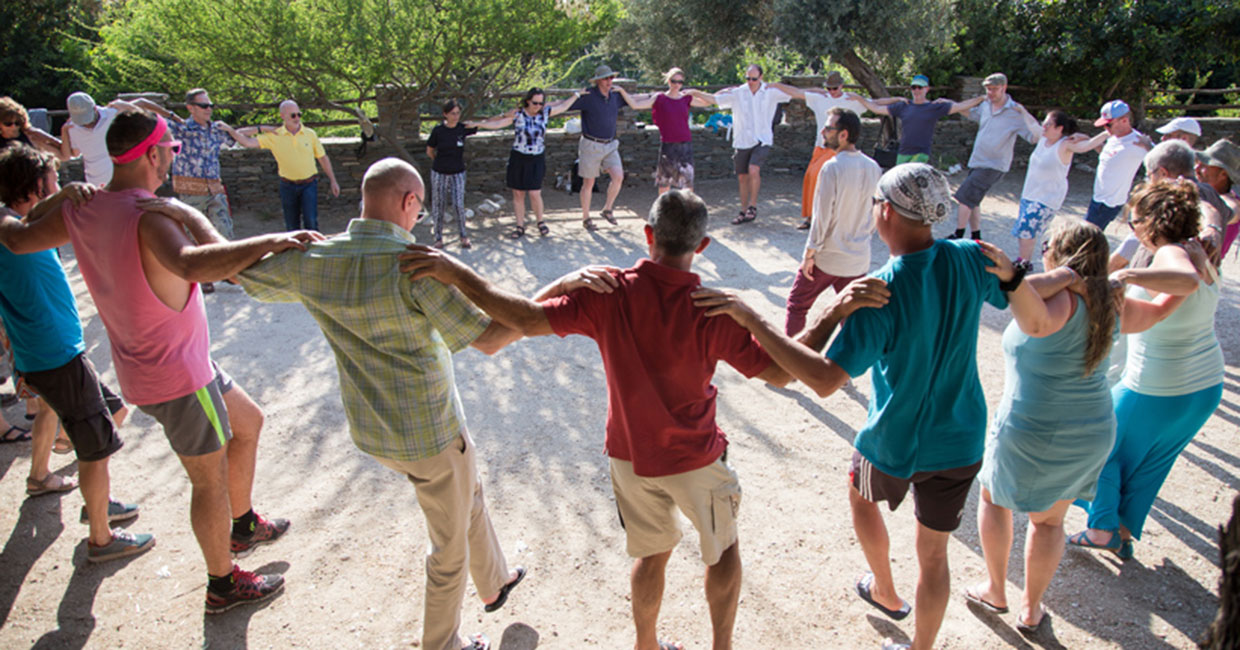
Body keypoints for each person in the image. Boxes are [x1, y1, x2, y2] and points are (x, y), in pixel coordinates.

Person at [143, 157, 525, 650]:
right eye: (419, 210)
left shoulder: (316, 258)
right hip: (429, 431)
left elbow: (231, 267)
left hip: (373, 429)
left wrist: (186, 213)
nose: (418, 220)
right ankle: (444, 644)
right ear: (409, 201)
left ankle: (493, 581)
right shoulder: (416, 267)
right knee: (447, 547)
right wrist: (555, 297)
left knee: (467, 488)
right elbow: (491, 338)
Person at [399, 190, 794, 650]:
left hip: (629, 456)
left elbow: (523, 319)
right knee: (723, 551)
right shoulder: (714, 309)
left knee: (650, 555)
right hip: (696, 457)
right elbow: (781, 372)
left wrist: (456, 272)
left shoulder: (608, 291)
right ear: (701, 246)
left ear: (648, 235)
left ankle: (645, 644)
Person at [0, 109, 317, 613]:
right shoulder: (146, 216)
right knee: (207, 481)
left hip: (163, 365)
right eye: (168, 149)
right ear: (151, 153)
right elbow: (195, 265)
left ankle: (242, 525)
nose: (172, 156)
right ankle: (222, 583)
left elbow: (15, 236)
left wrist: (60, 195)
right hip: (178, 376)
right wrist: (277, 238)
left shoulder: (85, 208)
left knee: (249, 422)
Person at [693, 163, 1010, 650]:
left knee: (861, 496)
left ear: (885, 211)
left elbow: (823, 380)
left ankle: (883, 588)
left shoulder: (879, 292)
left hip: (894, 440)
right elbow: (1009, 290)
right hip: (962, 436)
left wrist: (763, 317)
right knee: (934, 556)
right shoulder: (970, 257)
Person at [966, 219, 1185, 633]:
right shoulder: (1112, 303)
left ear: (1059, 252)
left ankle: (996, 588)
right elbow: (1158, 310)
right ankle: (1032, 609)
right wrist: (1195, 267)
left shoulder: (1054, 302)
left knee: (995, 501)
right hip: (1091, 429)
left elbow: (1020, 305)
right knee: (1049, 521)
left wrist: (1053, 278)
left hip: (1031, 424)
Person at [0, 144, 150, 561]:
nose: (61, 186)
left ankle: (64, 484)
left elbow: (32, 217)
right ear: (33, 186)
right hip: (51, 352)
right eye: (52, 181)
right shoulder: (6, 226)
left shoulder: (22, 219)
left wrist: (61, 198)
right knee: (96, 445)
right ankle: (100, 537)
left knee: (110, 411)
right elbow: (21, 230)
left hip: (57, 349)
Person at [1071, 180, 1224, 561]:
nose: (1131, 227)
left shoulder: (1173, 254)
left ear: (1154, 222)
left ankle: (1101, 528)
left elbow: (1183, 285)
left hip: (1157, 386)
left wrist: (1125, 278)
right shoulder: (1196, 248)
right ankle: (1121, 530)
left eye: (1134, 220)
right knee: (1149, 461)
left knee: (1096, 444)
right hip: (1203, 385)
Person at [784, 108, 881, 336]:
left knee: (797, 305)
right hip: (858, 257)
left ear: (843, 134)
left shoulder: (832, 167)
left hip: (827, 257)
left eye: (829, 128)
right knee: (850, 314)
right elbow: (875, 213)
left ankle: (790, 364)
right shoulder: (874, 167)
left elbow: (821, 218)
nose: (824, 132)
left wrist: (809, 254)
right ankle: (846, 366)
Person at [166, 88, 257, 294]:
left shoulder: (216, 129)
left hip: (215, 188)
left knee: (223, 230)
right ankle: (203, 276)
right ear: (190, 108)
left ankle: (228, 273)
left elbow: (238, 136)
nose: (209, 109)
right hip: (191, 189)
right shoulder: (181, 129)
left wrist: (265, 128)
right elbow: (152, 118)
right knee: (193, 234)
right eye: (204, 105)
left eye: (210, 105)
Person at [470, 88, 579, 239]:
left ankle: (540, 222)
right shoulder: (518, 114)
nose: (538, 106)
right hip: (519, 158)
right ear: (528, 100)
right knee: (518, 193)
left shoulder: (545, 113)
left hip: (536, 158)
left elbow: (563, 106)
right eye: (535, 103)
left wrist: (576, 95)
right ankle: (519, 226)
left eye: (541, 103)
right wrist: (478, 124)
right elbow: (498, 123)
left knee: (535, 192)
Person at [767, 72, 868, 229]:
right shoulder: (820, 98)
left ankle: (823, 218)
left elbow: (876, 105)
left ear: (841, 86)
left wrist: (899, 101)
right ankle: (811, 217)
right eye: (829, 88)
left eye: (835, 88)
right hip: (820, 146)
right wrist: (775, 85)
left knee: (819, 178)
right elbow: (796, 92)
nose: (832, 91)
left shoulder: (851, 100)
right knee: (810, 178)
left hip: (836, 148)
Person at [695, 65, 792, 224]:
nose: (751, 82)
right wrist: (695, 92)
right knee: (742, 177)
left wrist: (777, 85)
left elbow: (795, 93)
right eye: (748, 78)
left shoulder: (770, 92)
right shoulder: (738, 92)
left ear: (761, 77)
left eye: (754, 79)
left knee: (754, 169)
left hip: (762, 139)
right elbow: (714, 100)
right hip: (742, 140)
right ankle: (743, 209)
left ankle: (753, 207)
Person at [950, 73, 1040, 241]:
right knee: (972, 201)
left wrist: (1025, 113)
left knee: (963, 196)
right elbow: (973, 115)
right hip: (977, 161)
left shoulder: (1015, 112)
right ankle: (976, 236)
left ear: (1004, 88)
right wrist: (953, 106)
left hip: (994, 165)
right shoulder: (985, 106)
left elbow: (1034, 137)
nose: (990, 93)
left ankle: (957, 235)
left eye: (994, 89)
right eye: (988, 89)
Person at [1011, 110, 1103, 262]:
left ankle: (1023, 263)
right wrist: (1020, 109)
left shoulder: (1065, 145)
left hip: (1047, 198)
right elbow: (1032, 123)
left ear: (1059, 128)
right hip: (1029, 194)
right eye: (1044, 122)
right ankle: (1024, 261)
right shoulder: (1043, 138)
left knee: (1026, 230)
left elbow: (1087, 146)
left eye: (1048, 124)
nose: (1044, 126)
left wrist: (1106, 134)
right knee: (1023, 230)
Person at [238, 99, 341, 231]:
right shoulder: (275, 135)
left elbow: (322, 158)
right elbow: (243, 138)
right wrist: (262, 128)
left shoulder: (310, 134)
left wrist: (333, 180)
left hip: (309, 184)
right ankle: (295, 250)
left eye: (299, 114)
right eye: (293, 115)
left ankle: (314, 250)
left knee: (311, 222)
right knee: (292, 225)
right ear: (283, 116)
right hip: (287, 186)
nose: (297, 118)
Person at [613, 67, 714, 195]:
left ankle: (687, 212)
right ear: (668, 81)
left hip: (685, 144)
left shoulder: (686, 98)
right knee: (664, 183)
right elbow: (635, 105)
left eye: (680, 82)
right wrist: (622, 91)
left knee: (687, 183)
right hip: (668, 144)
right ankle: (663, 211)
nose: (677, 85)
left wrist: (696, 92)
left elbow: (708, 103)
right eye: (674, 81)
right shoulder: (659, 98)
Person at [847, 75, 984, 165]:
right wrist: (860, 99)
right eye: (914, 87)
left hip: (921, 153)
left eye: (920, 87)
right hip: (903, 152)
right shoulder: (903, 106)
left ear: (927, 89)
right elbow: (877, 109)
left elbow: (961, 106)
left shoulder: (934, 107)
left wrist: (981, 98)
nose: (916, 90)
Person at [569, 65, 632, 230]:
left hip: (610, 144)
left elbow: (638, 101)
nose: (609, 81)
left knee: (618, 176)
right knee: (588, 183)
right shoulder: (588, 96)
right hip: (591, 144)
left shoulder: (616, 96)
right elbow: (565, 105)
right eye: (606, 78)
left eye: (611, 77)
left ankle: (607, 209)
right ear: (598, 80)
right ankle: (586, 217)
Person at [60, 92, 169, 186]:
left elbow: (142, 109)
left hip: (121, 179)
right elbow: (74, 153)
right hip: (95, 184)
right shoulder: (72, 128)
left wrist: (125, 105)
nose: (87, 124)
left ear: (94, 108)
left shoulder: (112, 113)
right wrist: (64, 132)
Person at [1083, 100, 1152, 231]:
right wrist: (1086, 140)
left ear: (1124, 121)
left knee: (1086, 237)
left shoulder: (1138, 142)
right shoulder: (1113, 137)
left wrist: (1149, 147)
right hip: (1098, 198)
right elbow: (1108, 156)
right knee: (1089, 238)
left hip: (1109, 202)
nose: (1106, 129)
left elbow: (1164, 159)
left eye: (1109, 125)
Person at [426, 100, 479, 249]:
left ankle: (463, 235)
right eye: (452, 114)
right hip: (439, 172)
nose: (455, 117)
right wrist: (439, 162)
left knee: (458, 204)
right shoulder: (438, 131)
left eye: (457, 113)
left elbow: (485, 124)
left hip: (458, 172)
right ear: (445, 114)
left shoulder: (462, 129)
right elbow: (430, 150)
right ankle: (438, 237)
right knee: (439, 204)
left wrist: (506, 116)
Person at [1196, 139, 1240, 256]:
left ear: (1223, 174)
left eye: (1204, 165)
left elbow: (1229, 210)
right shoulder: (1209, 194)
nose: (1197, 169)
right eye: (1198, 163)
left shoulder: (1229, 201)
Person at [0, 96, 64, 157]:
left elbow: (61, 149)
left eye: (17, 123)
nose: (13, 127)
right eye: (8, 123)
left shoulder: (30, 134)